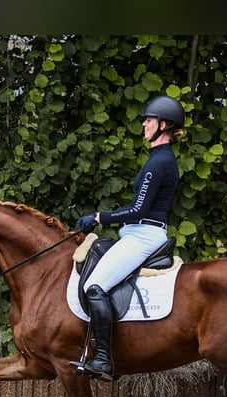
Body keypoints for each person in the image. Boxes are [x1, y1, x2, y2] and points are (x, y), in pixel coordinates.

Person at [71, 95, 185, 380]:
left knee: (94, 287)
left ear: (164, 124)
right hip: (139, 232)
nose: (144, 124)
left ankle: (104, 360)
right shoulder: (158, 159)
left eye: (149, 119)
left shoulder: (159, 162)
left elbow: (138, 210)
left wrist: (99, 218)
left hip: (144, 235)